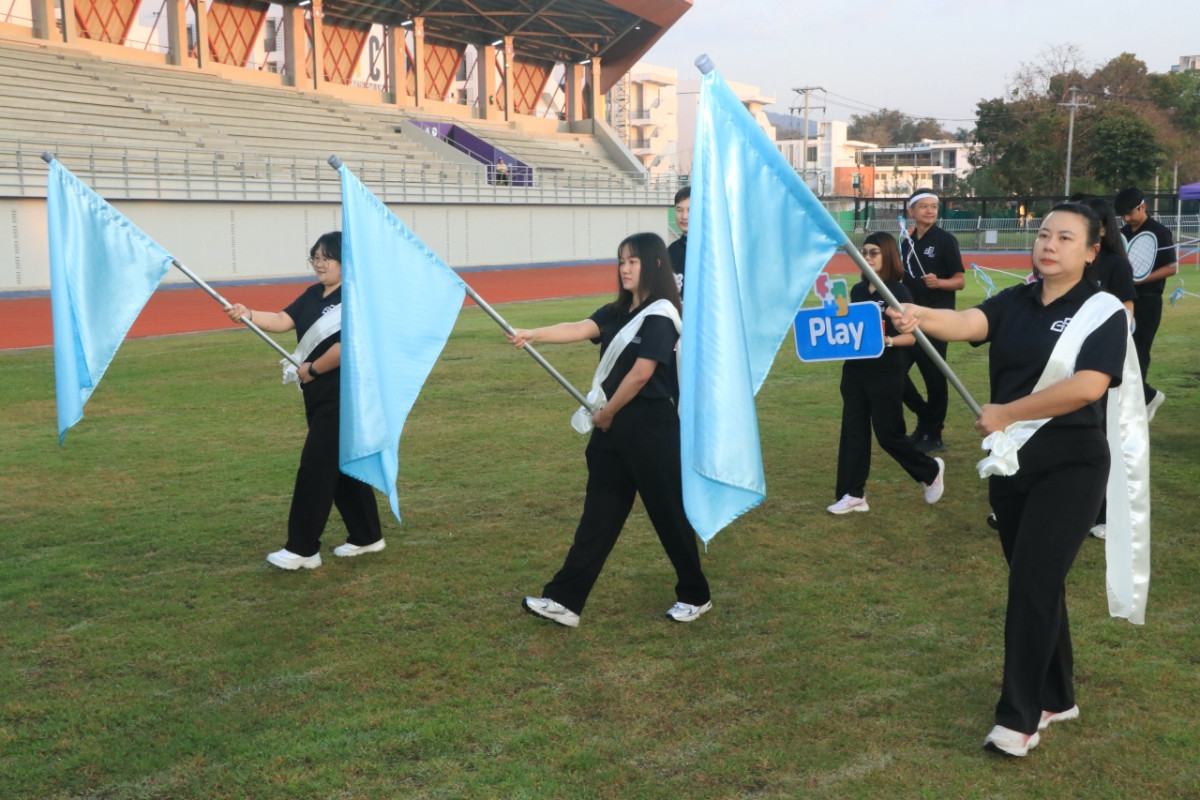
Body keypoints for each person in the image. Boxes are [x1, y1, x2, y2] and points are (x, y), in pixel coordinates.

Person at [889, 203, 1131, 757]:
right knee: (1035, 580)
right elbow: (968, 323)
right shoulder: (1016, 300)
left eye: (1065, 237)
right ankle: (1058, 696)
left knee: (1031, 584)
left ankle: (1018, 719)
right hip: (1012, 464)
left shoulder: (1103, 312)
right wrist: (919, 314)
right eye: (1044, 234)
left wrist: (1007, 413)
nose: (1049, 244)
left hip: (1072, 465)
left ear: (1092, 251)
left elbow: (1089, 386)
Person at [507, 232, 711, 627]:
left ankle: (696, 595)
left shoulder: (663, 314)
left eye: (633, 261)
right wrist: (533, 334)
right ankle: (564, 601)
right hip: (612, 434)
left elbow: (641, 373)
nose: (624, 269)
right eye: (621, 261)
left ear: (654, 264)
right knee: (597, 519)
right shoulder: (616, 311)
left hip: (651, 430)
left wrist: (607, 413)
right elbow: (578, 327)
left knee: (669, 516)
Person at [225, 232, 384, 570]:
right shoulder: (313, 294)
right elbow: (282, 320)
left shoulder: (354, 298)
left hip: (344, 395)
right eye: (315, 257)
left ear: (345, 261)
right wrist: (248, 313)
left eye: (328, 257)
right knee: (340, 467)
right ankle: (367, 535)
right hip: (318, 395)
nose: (320, 264)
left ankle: (302, 548)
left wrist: (312, 368)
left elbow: (347, 346)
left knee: (316, 468)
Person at [827, 232, 945, 515]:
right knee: (853, 432)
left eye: (874, 253)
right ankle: (852, 494)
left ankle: (930, 471)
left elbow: (911, 338)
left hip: (885, 372)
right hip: (855, 371)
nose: (867, 258)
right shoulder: (857, 291)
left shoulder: (898, 292)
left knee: (888, 434)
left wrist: (887, 340)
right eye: (864, 252)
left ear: (888, 255)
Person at [899, 188, 965, 454]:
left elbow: (959, 281)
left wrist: (940, 283)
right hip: (908, 321)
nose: (930, 211)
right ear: (911, 211)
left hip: (936, 320)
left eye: (934, 206)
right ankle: (926, 418)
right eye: (924, 206)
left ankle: (933, 433)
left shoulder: (946, 241)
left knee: (934, 378)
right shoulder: (906, 242)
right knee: (895, 373)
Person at [1114, 186, 1176, 420]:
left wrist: (1140, 280)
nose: (1126, 218)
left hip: (1148, 302)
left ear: (1142, 207)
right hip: (1124, 300)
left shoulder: (1159, 232)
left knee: (1139, 353)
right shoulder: (1121, 233)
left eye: (1129, 213)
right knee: (1121, 353)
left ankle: (1141, 401)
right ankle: (1146, 397)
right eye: (1122, 215)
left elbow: (1171, 268)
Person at [666, 185, 689, 296]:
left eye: (690, 210)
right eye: (679, 210)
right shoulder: (671, 251)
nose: (684, 216)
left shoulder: (714, 250)